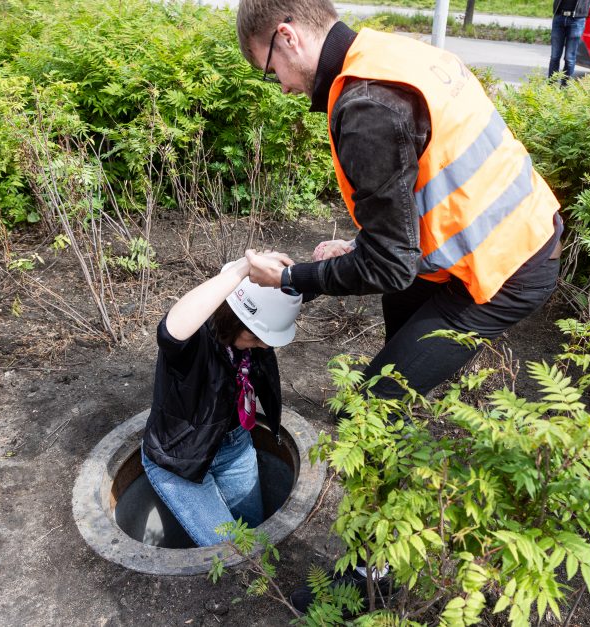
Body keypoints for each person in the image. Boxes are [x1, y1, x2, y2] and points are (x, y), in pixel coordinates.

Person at [236, 0, 564, 611]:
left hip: (505, 266)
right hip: (485, 239)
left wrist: (294, 278)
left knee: (372, 405)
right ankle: (401, 455)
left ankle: (370, 572)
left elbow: (388, 266)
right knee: (397, 372)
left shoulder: (364, 107)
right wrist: (364, 245)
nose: (279, 86)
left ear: (287, 36)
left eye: (268, 69)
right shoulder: (386, 54)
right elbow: (405, 223)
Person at [140, 255, 301, 547]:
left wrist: (318, 266)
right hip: (178, 461)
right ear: (233, 317)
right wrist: (243, 268)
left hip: (234, 447)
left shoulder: (253, 336)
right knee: (233, 552)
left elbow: (286, 300)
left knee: (255, 537)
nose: (264, 345)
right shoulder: (194, 341)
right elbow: (169, 331)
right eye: (255, 337)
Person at [548, 0, 590, 85]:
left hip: (577, 19)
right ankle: (551, 87)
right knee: (554, 56)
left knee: (569, 58)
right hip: (559, 16)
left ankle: (564, 87)